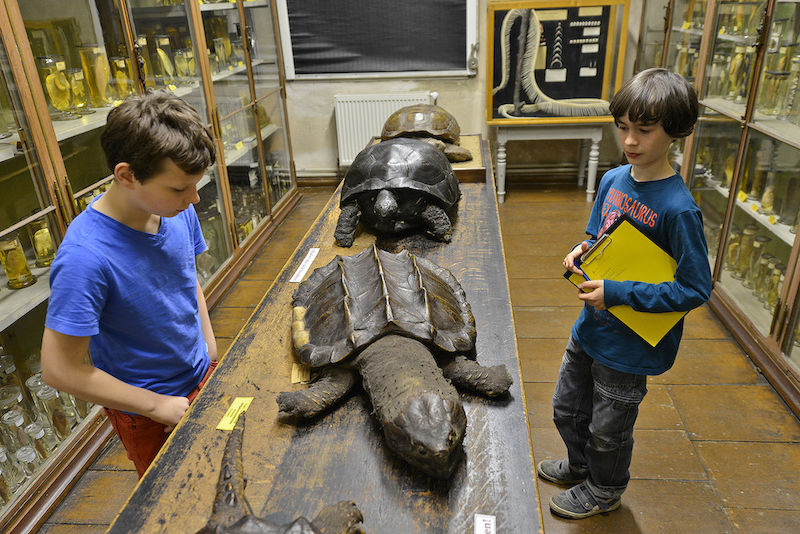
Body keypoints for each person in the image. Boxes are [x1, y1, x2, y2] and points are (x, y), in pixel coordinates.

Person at [537, 68, 712, 519]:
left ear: (675, 131)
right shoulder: (614, 179)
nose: (630, 140)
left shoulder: (679, 209)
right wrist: (580, 252)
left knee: (608, 429)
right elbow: (597, 236)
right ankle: (580, 467)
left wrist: (616, 292)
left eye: (644, 130)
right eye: (623, 128)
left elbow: (694, 287)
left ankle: (604, 488)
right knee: (566, 408)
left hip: (629, 344)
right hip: (590, 327)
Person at [41, 91, 218, 478]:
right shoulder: (85, 256)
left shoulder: (174, 210)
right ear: (127, 175)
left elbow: (187, 279)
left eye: (195, 185)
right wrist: (156, 406)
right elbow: (58, 369)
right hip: (147, 410)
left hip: (202, 374)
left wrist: (209, 347)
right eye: (179, 188)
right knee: (169, 498)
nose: (195, 198)